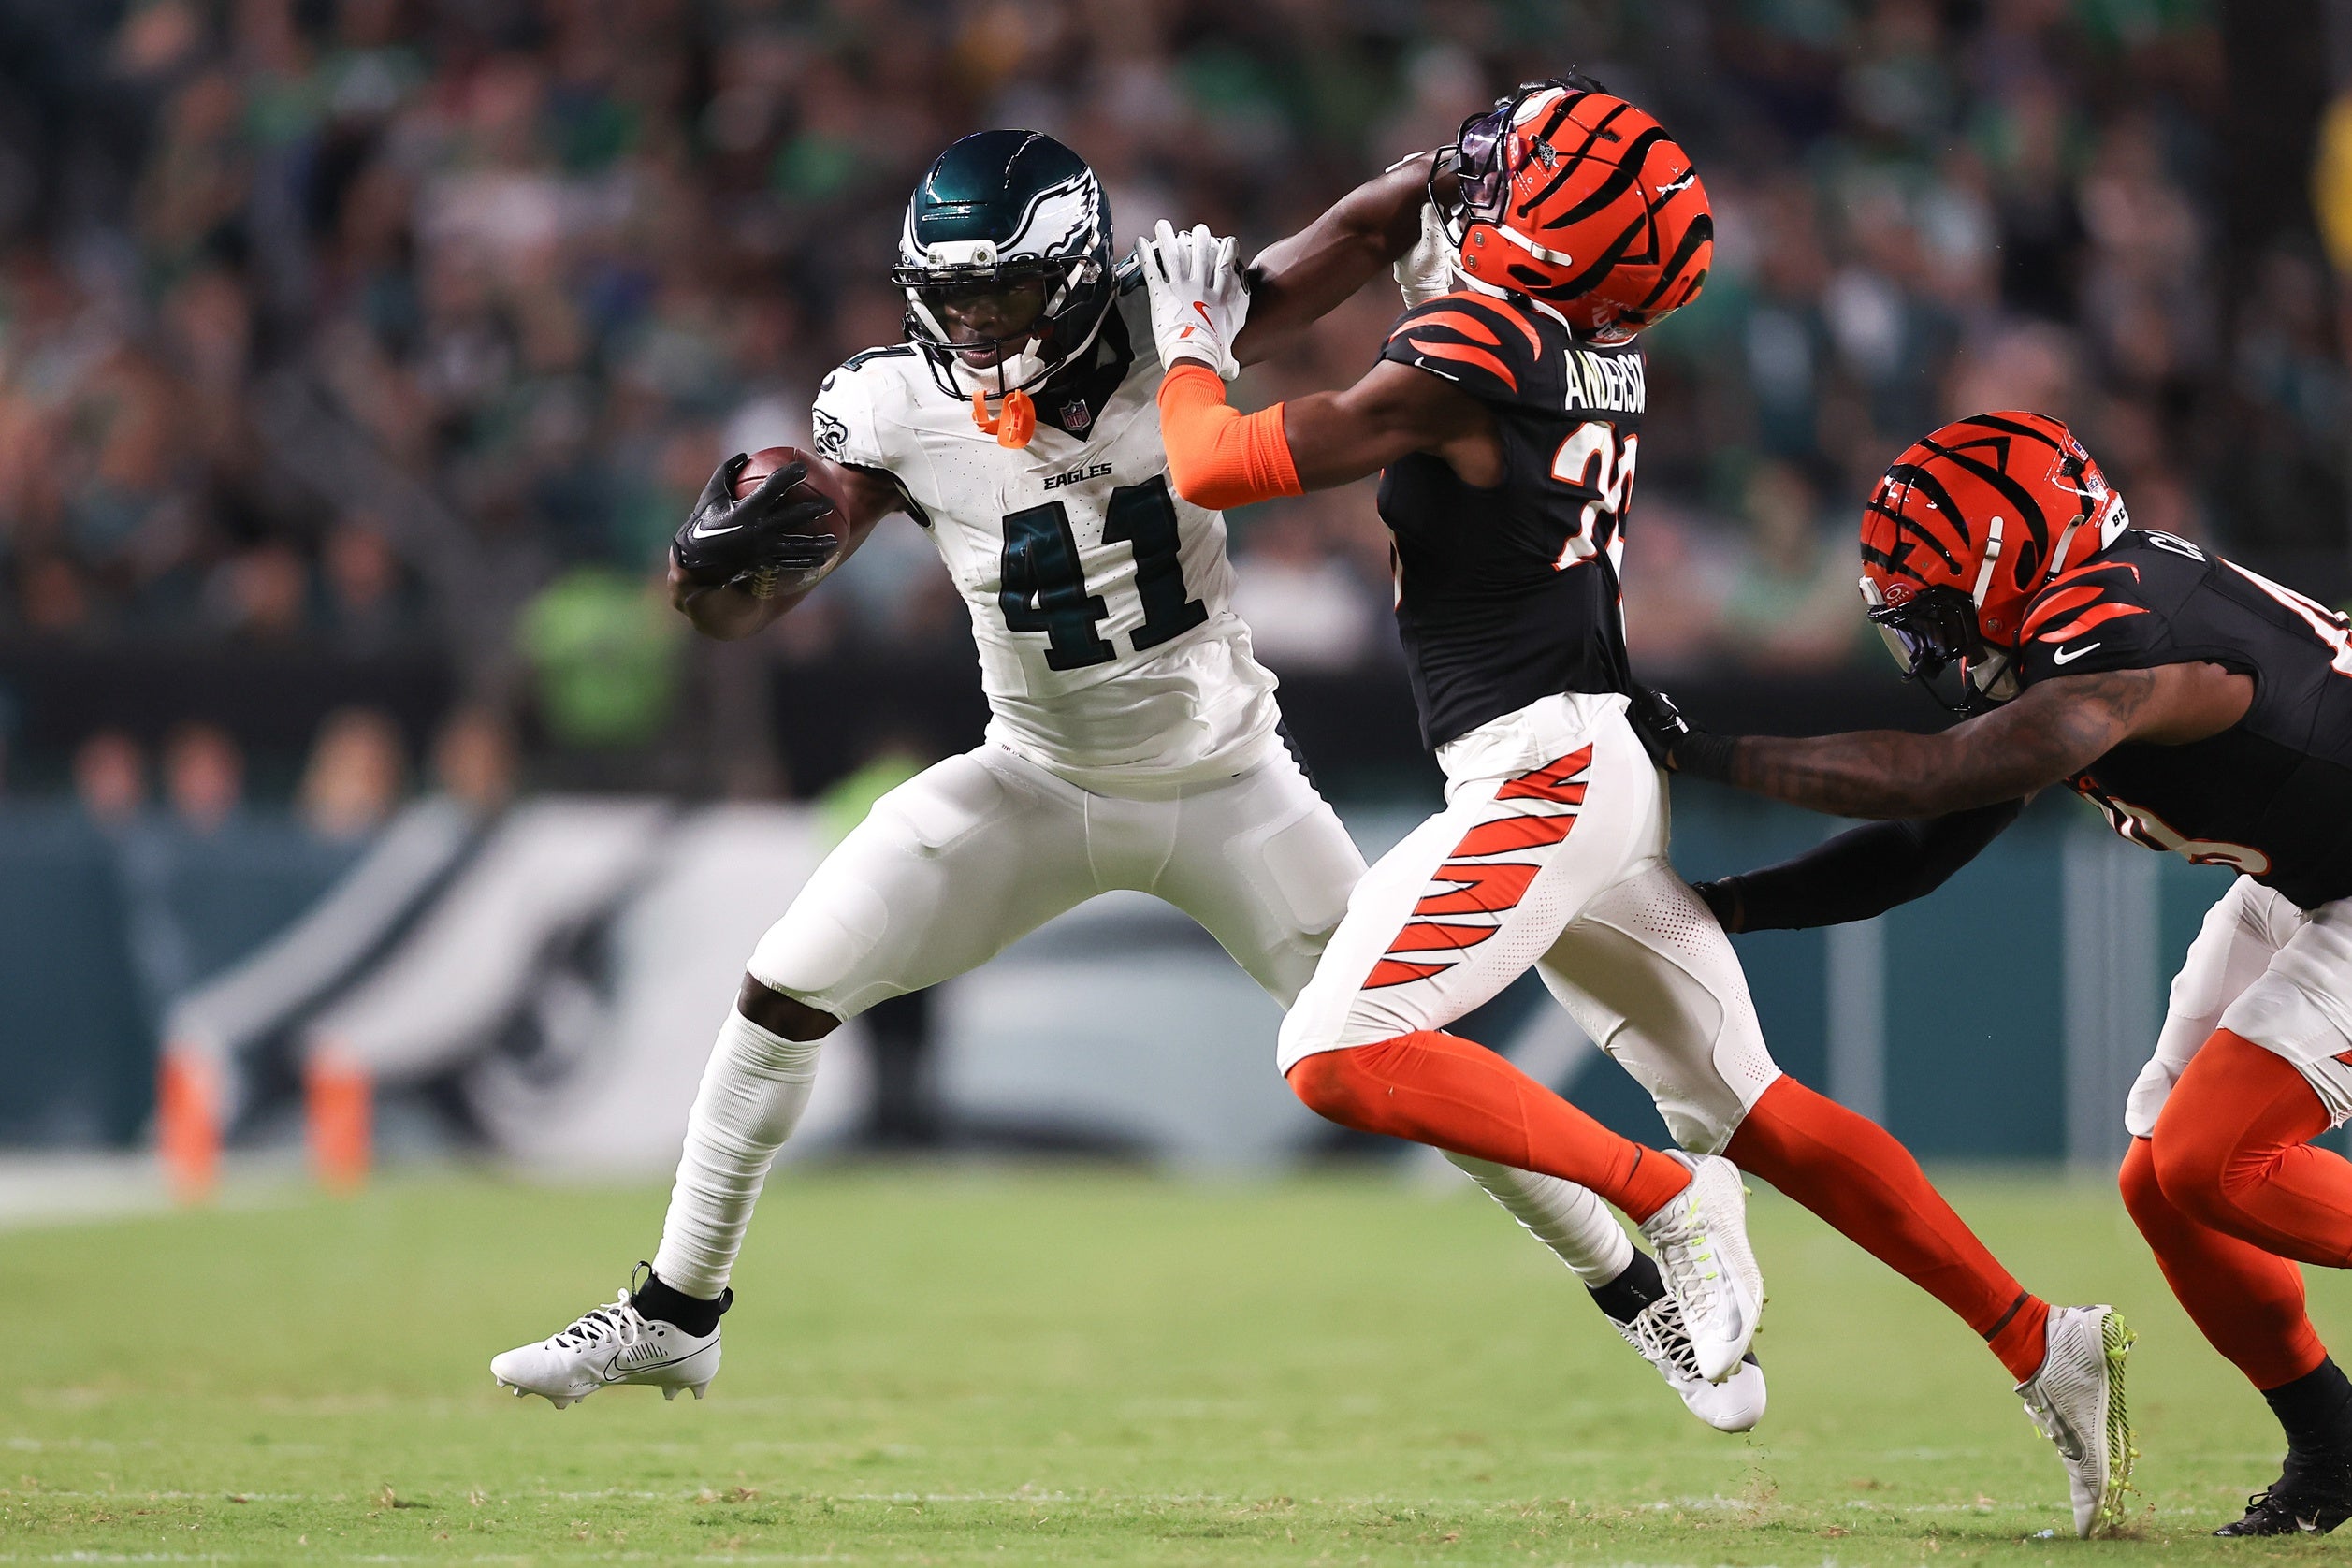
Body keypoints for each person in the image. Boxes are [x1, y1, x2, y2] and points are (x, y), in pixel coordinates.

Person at [490, 128, 1759, 1426]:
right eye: (957, 300)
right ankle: (674, 1315)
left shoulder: (1174, 320)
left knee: (1404, 1058)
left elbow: (1360, 240)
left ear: (1081, 272)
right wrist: (717, 565)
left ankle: (1634, 1293)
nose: (980, 327)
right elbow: (738, 610)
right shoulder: (889, 406)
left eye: (1007, 294)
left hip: (1227, 786)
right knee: (783, 988)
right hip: (1033, 780)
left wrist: (1447, 166)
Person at [1141, 80, 2128, 1537]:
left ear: (1545, 224)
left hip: (1541, 769)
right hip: (1596, 765)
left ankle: (1658, 1198)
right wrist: (1411, 189)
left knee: (1339, 1051)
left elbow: (1209, 460)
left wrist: (1183, 335)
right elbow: (1395, 228)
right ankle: (2038, 1339)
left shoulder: (1477, 348)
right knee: (1762, 1109)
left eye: (1512, 169)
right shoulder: (1580, 340)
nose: (1477, 180)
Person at [1634, 409, 2352, 1538]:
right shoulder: (2079, 626)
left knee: (2218, 1159)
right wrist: (1729, 908)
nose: (1925, 642)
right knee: (2162, 1182)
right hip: (2308, 871)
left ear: (2004, 560)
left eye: (1930, 609)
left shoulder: (2121, 637)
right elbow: (1925, 845)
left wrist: (1704, 752)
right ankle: (2335, 1446)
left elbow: (1932, 779)